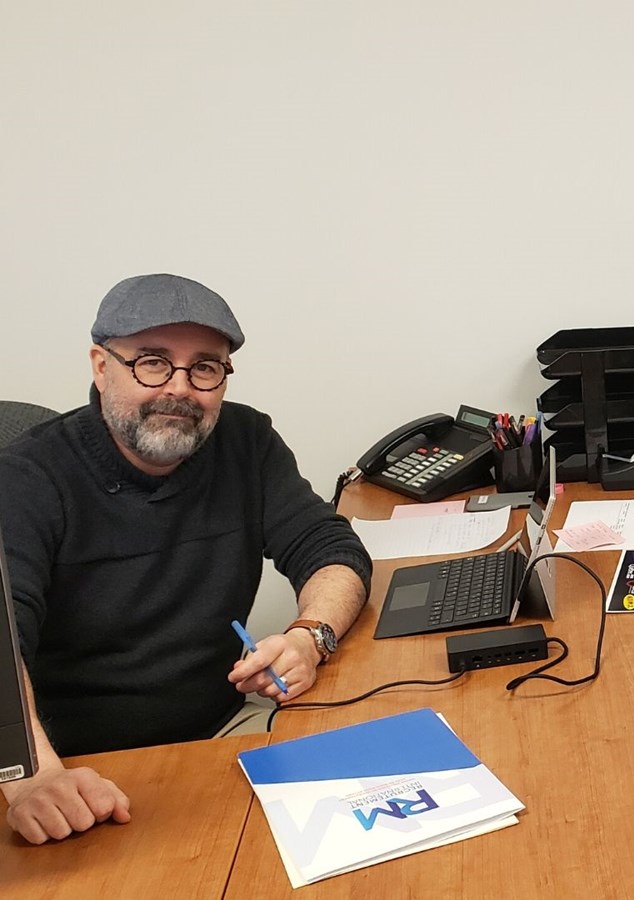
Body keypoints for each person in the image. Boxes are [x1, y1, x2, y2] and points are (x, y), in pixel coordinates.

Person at [0, 274, 372, 845]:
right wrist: (34, 779)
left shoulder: (246, 441)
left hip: (224, 732)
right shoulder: (26, 478)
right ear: (101, 366)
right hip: (76, 771)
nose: (179, 389)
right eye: (151, 363)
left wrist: (309, 636)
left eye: (204, 368)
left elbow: (330, 547)